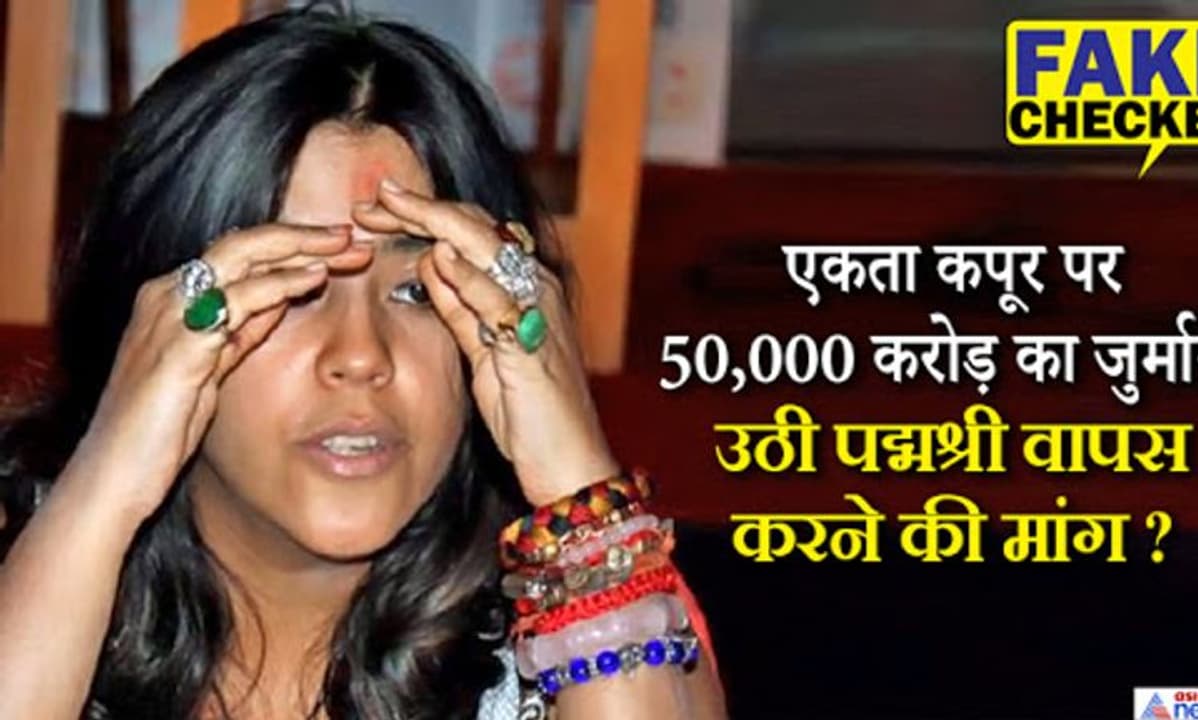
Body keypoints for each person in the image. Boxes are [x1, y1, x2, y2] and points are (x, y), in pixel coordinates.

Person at [0, 7, 726, 719]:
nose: (360, 356)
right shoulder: (32, 560)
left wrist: (576, 484)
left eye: (416, 292)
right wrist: (105, 484)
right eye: (293, 289)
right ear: (152, 329)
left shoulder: (608, 612)